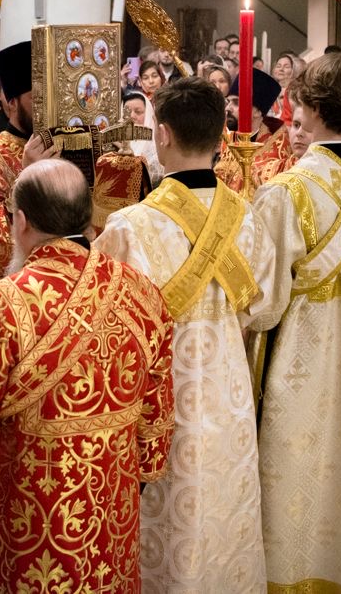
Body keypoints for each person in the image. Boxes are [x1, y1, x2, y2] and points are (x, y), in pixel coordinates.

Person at [0, 159, 175, 589]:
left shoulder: (1, 306)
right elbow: (157, 408)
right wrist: (137, 477)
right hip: (111, 501)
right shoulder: (142, 293)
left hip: (25, 518)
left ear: (21, 221)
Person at [95, 76, 280, 593]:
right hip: (227, 396)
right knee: (223, 512)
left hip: (161, 402)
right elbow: (263, 309)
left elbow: (107, 329)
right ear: (223, 136)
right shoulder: (247, 215)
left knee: (165, 523)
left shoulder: (129, 225)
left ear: (163, 136)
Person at [253, 54, 341, 591]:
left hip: (299, 364)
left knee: (298, 474)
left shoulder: (288, 192)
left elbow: (263, 304)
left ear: (310, 109)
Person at [0, 41, 151, 282]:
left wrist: (117, 168)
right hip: (20, 288)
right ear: (11, 102)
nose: (49, 108)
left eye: (54, 97)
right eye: (38, 99)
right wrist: (26, 177)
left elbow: (113, 223)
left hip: (85, 280)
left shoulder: (77, 146)